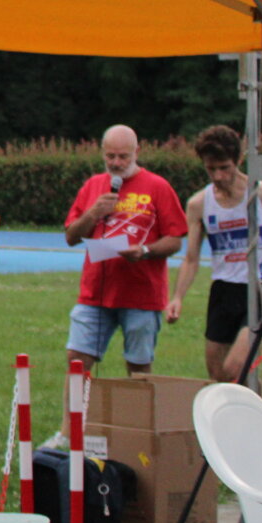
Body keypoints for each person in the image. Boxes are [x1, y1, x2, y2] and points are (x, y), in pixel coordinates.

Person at [165, 125, 262, 382]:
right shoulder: (199, 204)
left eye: (224, 167)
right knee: (218, 375)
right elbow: (191, 258)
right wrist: (177, 297)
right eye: (211, 169)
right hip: (223, 291)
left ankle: (258, 415)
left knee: (235, 369)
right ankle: (242, 416)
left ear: (238, 161)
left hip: (259, 289)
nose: (218, 176)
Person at [63, 123, 187, 374]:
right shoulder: (93, 186)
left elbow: (175, 239)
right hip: (95, 293)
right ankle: (74, 415)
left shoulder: (157, 186)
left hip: (142, 295)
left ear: (137, 152)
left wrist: (145, 251)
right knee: (76, 360)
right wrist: (94, 212)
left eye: (123, 156)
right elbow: (71, 236)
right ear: (102, 153)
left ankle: (136, 414)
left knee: (138, 367)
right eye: (110, 156)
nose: (116, 163)